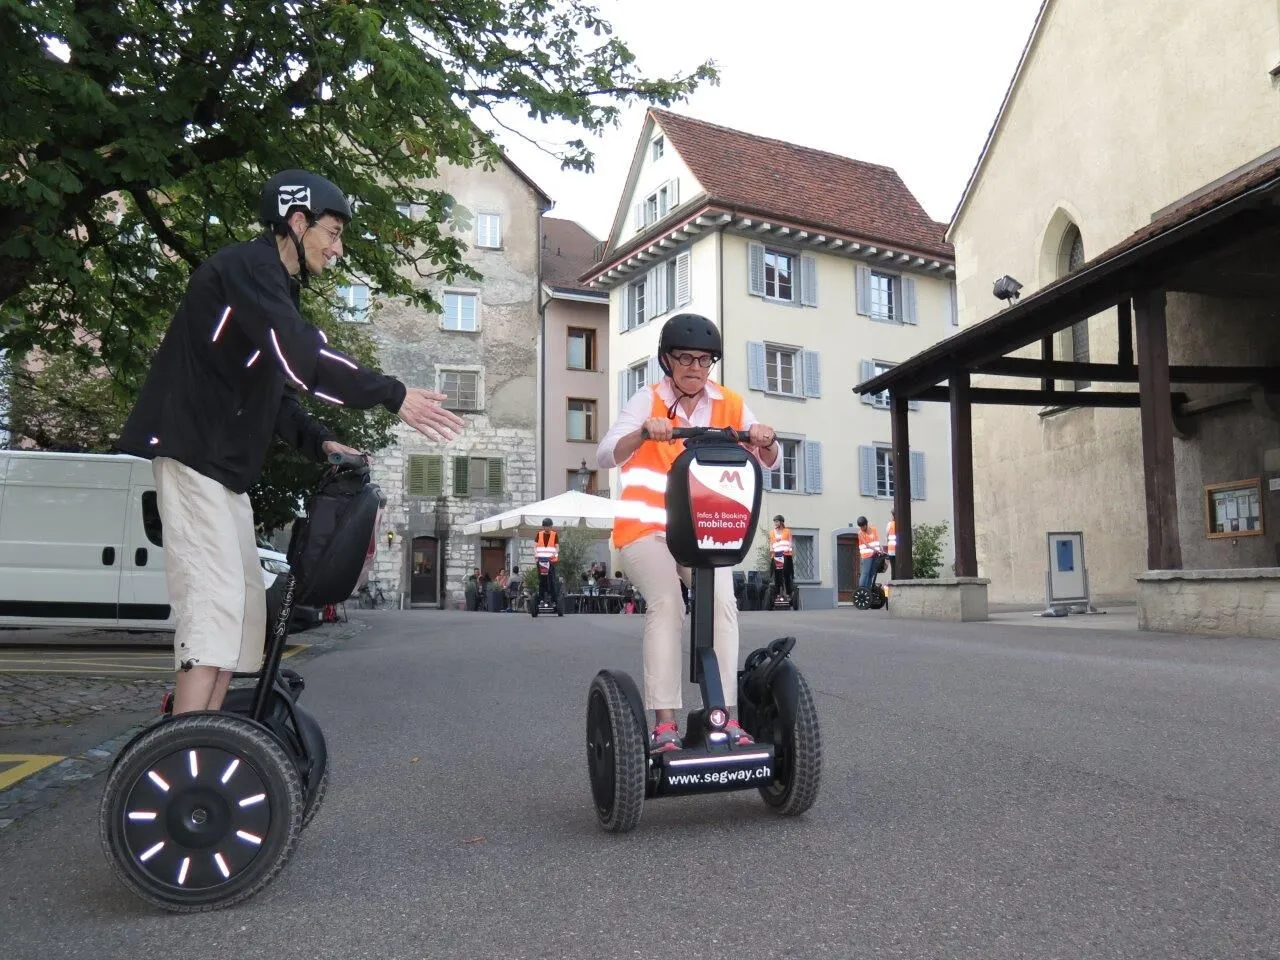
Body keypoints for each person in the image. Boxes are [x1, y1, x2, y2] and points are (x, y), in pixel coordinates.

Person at [115, 169, 465, 715]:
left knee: (243, 615)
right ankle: (184, 748)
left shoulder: (271, 287)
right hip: (193, 455)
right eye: (333, 232)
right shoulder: (248, 268)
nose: (338, 248)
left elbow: (276, 392)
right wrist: (392, 394)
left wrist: (321, 443)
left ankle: (207, 734)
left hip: (223, 472)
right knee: (213, 612)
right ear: (297, 222)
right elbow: (304, 360)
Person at [596, 313, 781, 754]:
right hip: (647, 531)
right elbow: (606, 454)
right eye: (685, 358)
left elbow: (770, 458)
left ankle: (727, 717)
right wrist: (643, 433)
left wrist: (764, 438)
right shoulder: (647, 401)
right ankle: (664, 726)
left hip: (702, 531)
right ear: (667, 360)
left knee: (722, 605)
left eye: (704, 360)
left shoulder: (729, 403)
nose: (695, 368)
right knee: (668, 603)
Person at [533, 518, 560, 607]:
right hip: (541, 560)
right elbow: (535, 547)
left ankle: (553, 599)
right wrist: (536, 554)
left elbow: (557, 547)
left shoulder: (554, 534)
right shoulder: (539, 534)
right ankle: (541, 599)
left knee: (551, 580)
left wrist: (555, 553)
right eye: (546, 526)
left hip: (551, 561)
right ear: (543, 526)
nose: (547, 528)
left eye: (549, 526)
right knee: (542, 580)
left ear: (551, 526)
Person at [768, 514, 795, 601]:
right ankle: (777, 594)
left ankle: (788, 593)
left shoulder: (787, 531)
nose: (775, 523)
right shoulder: (772, 532)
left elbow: (790, 543)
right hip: (776, 556)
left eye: (777, 521)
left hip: (786, 555)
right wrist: (771, 550)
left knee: (786, 574)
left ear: (781, 522)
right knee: (777, 575)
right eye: (774, 522)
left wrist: (789, 550)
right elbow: (771, 544)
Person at [856, 516, 883, 590]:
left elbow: (877, 541)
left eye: (862, 526)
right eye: (860, 527)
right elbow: (866, 545)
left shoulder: (874, 530)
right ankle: (861, 590)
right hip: (866, 556)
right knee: (865, 573)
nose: (861, 528)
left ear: (866, 524)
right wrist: (876, 550)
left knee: (871, 573)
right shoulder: (860, 533)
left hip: (875, 555)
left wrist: (881, 550)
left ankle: (868, 590)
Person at [885, 509, 897, 580]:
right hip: (901, 551)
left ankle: (893, 583)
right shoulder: (902, 524)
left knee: (893, 568)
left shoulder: (890, 524)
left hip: (892, 550)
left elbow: (887, 536)